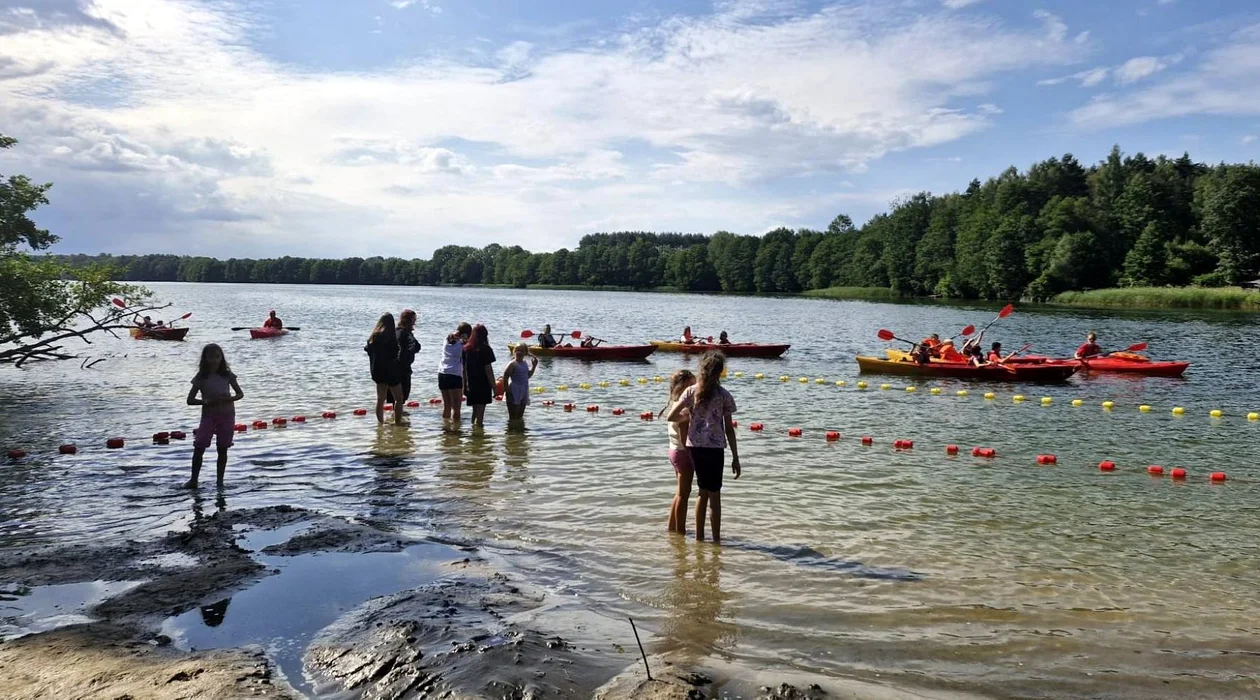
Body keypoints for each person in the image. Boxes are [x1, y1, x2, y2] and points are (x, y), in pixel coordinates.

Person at [665, 351, 741, 543]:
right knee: (714, 495)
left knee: (701, 492)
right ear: (720, 373)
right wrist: (736, 457)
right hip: (715, 449)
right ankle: (715, 540)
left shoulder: (691, 392)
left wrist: (691, 417)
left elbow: (671, 416)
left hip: (696, 448)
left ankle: (699, 539)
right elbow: (729, 430)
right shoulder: (724, 396)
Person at [185, 343, 243, 488]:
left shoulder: (228, 375)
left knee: (222, 448)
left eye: (217, 356)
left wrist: (228, 399)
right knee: (199, 446)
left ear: (221, 358)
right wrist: (206, 401)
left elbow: (240, 394)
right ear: (205, 358)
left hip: (227, 414)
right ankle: (193, 480)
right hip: (209, 415)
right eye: (211, 357)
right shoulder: (201, 377)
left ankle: (220, 481)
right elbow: (190, 400)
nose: (214, 360)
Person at [660, 369, 697, 535]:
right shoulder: (684, 410)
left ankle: (672, 528)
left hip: (673, 451)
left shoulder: (675, 404)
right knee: (684, 494)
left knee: (680, 493)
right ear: (685, 387)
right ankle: (680, 532)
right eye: (692, 384)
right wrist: (692, 456)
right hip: (682, 453)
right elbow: (684, 437)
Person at [365, 313, 405, 425]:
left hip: (377, 371)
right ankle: (397, 423)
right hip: (391, 372)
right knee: (399, 399)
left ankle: (380, 424)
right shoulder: (390, 338)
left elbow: (367, 350)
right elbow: (394, 355)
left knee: (380, 399)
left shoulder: (373, 338)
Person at [462, 324, 497, 427]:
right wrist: (494, 386)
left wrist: (465, 385)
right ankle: (478, 437)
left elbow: (463, 369)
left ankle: (473, 431)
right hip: (483, 384)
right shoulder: (486, 349)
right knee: (481, 413)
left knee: (475, 410)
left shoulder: (466, 349)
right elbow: (488, 370)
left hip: (471, 383)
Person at [439, 322, 472, 423]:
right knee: (456, 409)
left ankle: (445, 430)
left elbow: (454, 337)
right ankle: (456, 433)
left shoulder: (447, 339)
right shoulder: (463, 343)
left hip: (442, 373)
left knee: (447, 406)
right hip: (455, 375)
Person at [502, 343, 538, 423]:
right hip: (514, 390)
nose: (519, 352)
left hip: (524, 390)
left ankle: (519, 432)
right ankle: (511, 433)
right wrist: (507, 390)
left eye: (521, 351)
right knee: (513, 416)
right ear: (514, 351)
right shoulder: (512, 363)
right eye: (517, 350)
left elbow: (528, 376)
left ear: (525, 353)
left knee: (520, 416)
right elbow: (505, 376)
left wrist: (534, 367)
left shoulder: (524, 363)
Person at [396, 309, 421, 406]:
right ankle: (399, 418)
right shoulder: (406, 333)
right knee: (402, 396)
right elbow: (415, 346)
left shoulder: (395, 331)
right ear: (409, 320)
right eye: (414, 319)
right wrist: (408, 353)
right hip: (404, 368)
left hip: (393, 367)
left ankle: (393, 417)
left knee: (395, 396)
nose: (415, 322)